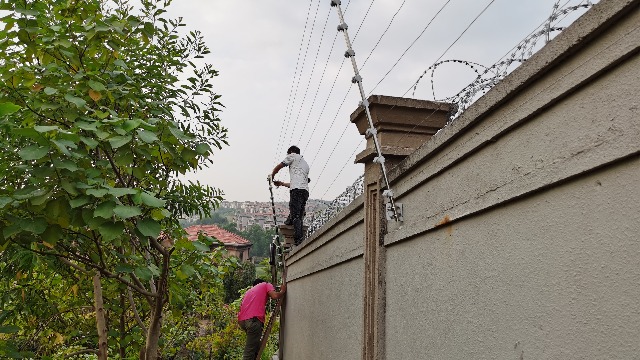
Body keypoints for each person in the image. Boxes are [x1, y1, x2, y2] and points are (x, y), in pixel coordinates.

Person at [238, 279, 286, 360]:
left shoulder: (250, 291)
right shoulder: (266, 284)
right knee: (249, 352)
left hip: (242, 321)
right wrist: (282, 291)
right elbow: (274, 296)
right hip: (253, 320)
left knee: (255, 346)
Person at [271, 145, 310, 246]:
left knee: (296, 215)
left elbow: (279, 166)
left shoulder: (292, 155)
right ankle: (289, 221)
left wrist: (272, 176)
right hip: (304, 191)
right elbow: (296, 183)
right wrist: (282, 183)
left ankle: (298, 240)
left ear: (291, 152)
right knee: (299, 214)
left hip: (296, 191)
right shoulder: (305, 163)